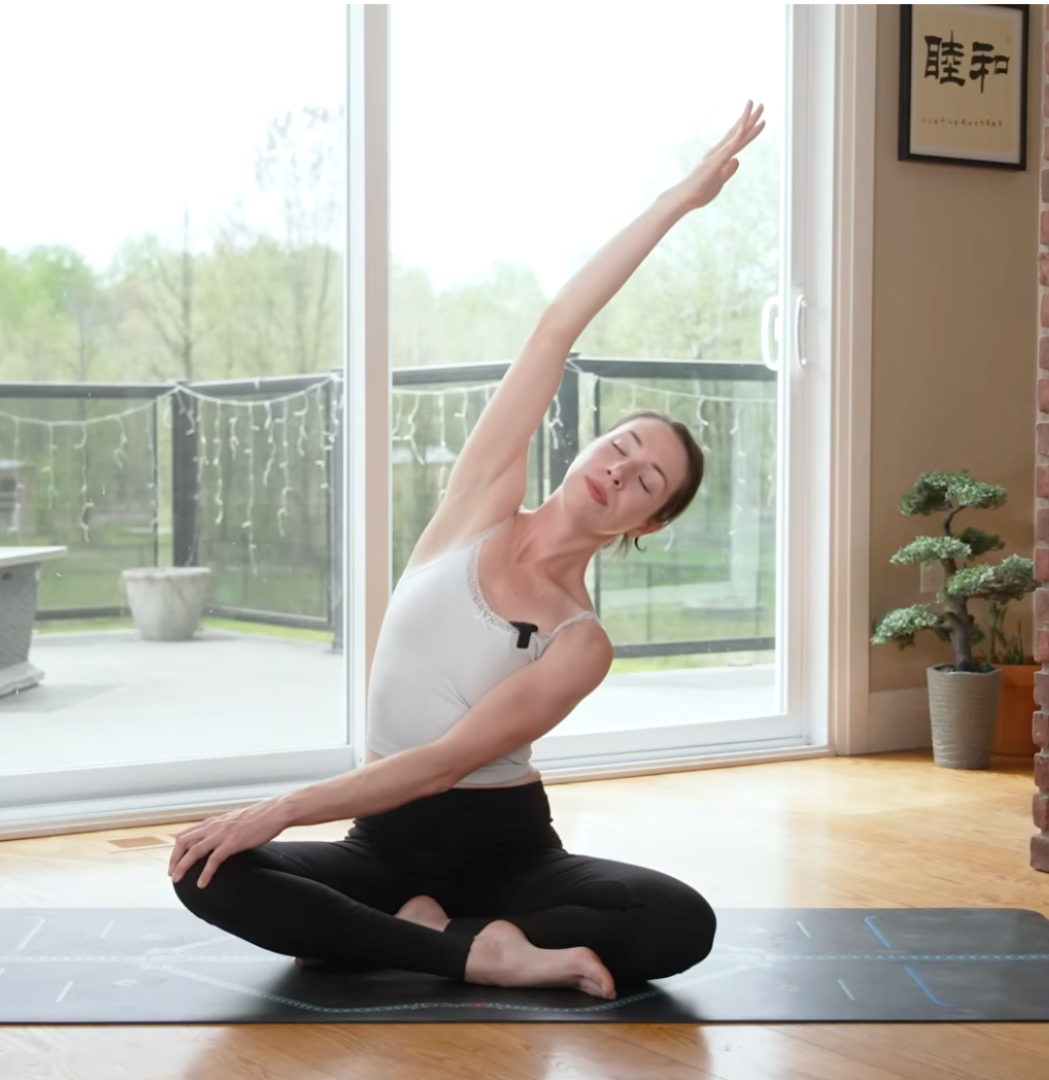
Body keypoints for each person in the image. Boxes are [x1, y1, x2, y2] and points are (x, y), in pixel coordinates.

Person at [170, 101, 767, 1000]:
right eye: (621, 448)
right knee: (201, 869)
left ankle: (415, 937)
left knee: (680, 922)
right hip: (380, 841)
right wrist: (678, 201)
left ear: (645, 526)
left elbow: (449, 764)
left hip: (503, 852)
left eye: (648, 482)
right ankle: (471, 950)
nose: (621, 471)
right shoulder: (476, 505)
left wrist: (280, 808)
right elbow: (554, 330)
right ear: (589, 446)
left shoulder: (581, 640)